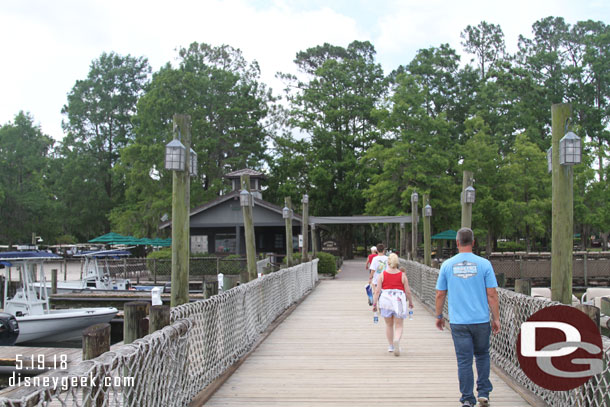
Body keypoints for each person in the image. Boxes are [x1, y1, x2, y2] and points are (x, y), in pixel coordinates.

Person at [434, 227, 500, 407]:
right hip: (480, 320)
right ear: (473, 242)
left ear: (457, 243)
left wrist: (439, 315)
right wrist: (496, 318)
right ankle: (484, 392)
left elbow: (440, 293)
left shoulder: (447, 265)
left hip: (459, 321)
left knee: (464, 360)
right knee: (482, 355)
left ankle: (467, 398)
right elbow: (492, 294)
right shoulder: (485, 264)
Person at [372, 253, 414, 356]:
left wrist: (374, 304)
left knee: (389, 324)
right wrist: (411, 302)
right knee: (399, 325)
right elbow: (408, 291)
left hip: (386, 301)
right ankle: (397, 340)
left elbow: (377, 291)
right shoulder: (402, 275)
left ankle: (391, 346)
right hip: (398, 300)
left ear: (388, 262)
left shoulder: (382, 275)